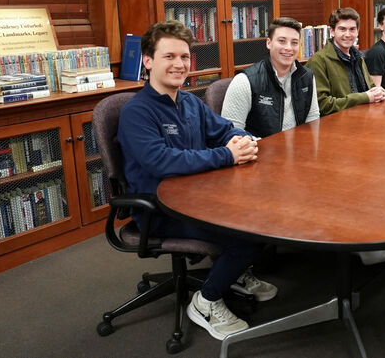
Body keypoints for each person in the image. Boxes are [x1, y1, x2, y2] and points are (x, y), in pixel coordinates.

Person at [118, 20, 277, 340]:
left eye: (185, 57)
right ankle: (206, 301)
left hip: (199, 196)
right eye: (169, 57)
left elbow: (223, 131)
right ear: (147, 62)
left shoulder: (189, 101)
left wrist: (246, 140)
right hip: (161, 209)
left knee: (264, 217)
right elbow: (162, 161)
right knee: (247, 234)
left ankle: (232, 272)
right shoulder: (137, 112)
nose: (179, 65)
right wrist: (226, 156)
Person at [221, 17, 319, 137]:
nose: (288, 48)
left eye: (294, 42)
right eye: (282, 41)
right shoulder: (244, 81)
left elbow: (313, 121)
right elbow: (232, 133)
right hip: (258, 151)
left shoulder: (307, 76)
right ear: (269, 43)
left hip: (298, 149)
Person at [307, 7, 385, 115]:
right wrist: (364, 97)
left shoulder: (358, 56)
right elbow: (322, 104)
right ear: (332, 31)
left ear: (357, 31)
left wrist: (378, 93)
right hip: (336, 126)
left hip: (365, 119)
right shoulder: (318, 61)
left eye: (352, 29)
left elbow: (371, 88)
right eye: (342, 29)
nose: (347, 34)